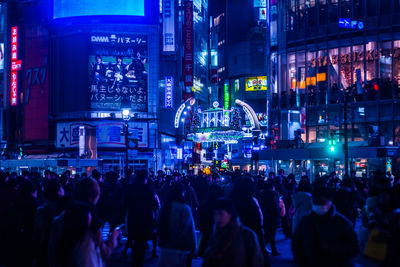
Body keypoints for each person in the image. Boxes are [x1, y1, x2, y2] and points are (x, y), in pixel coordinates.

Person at [292, 187, 359, 267]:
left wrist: (331, 249)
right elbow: (296, 243)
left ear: (330, 202)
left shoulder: (343, 223)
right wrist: (301, 261)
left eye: (322, 202)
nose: (319, 206)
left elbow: (353, 248)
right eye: (316, 202)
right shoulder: (305, 221)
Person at [203, 198, 264, 267]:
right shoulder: (215, 234)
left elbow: (256, 261)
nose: (217, 217)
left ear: (230, 214)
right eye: (215, 214)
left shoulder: (247, 234)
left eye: (221, 214)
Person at [123, 170, 158, 267]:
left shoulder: (130, 189)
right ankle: (139, 263)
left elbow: (125, 204)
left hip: (133, 218)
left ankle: (135, 261)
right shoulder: (148, 190)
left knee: (135, 242)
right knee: (141, 244)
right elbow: (154, 206)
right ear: (145, 179)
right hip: (145, 220)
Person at [158, 183, 197, 266]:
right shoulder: (184, 208)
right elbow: (189, 231)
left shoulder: (164, 207)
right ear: (182, 193)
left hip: (165, 246)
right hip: (180, 247)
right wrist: (193, 249)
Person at [260, 180, 281, 256]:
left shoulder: (262, 194)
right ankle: (270, 249)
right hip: (273, 216)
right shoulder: (274, 194)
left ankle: (263, 248)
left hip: (265, 216)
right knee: (271, 233)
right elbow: (276, 206)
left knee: (267, 233)